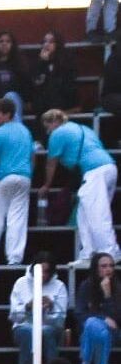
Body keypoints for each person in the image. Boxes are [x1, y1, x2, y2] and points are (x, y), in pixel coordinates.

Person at [42, 109, 119, 264]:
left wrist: (46, 185)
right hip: (109, 168)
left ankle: (110, 252)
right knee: (83, 215)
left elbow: (51, 164)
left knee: (97, 215)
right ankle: (88, 254)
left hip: (94, 171)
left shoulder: (58, 133)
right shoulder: (83, 128)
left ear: (53, 122)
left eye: (47, 127)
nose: (47, 131)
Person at [0, 98, 34, 267]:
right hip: (23, 177)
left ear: (7, 114)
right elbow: (33, 157)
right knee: (17, 219)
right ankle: (15, 258)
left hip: (1, 178)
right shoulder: (25, 131)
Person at [10, 253, 68, 364]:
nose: (43, 275)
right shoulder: (21, 283)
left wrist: (51, 307)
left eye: (46, 271)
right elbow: (13, 316)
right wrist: (27, 307)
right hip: (24, 327)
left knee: (46, 332)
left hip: (50, 328)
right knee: (28, 332)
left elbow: (61, 320)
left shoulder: (59, 286)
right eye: (40, 270)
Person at [76, 252, 119, 364]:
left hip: (114, 333)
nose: (108, 269)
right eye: (104, 266)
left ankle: (85, 362)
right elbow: (80, 314)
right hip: (89, 331)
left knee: (94, 324)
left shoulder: (118, 287)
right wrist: (103, 318)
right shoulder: (86, 286)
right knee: (95, 326)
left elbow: (117, 318)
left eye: (111, 266)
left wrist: (108, 295)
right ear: (96, 268)